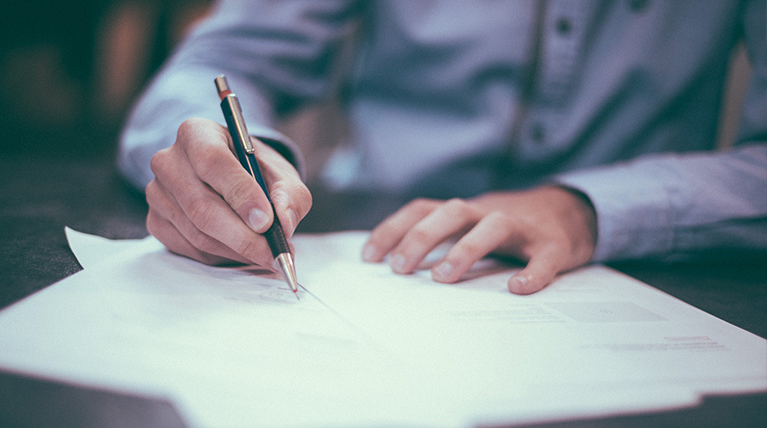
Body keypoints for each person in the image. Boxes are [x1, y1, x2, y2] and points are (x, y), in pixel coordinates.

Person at [118, 0, 767, 295]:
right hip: (374, 246)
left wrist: (586, 208)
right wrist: (220, 157)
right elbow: (219, 61)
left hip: (648, 270)